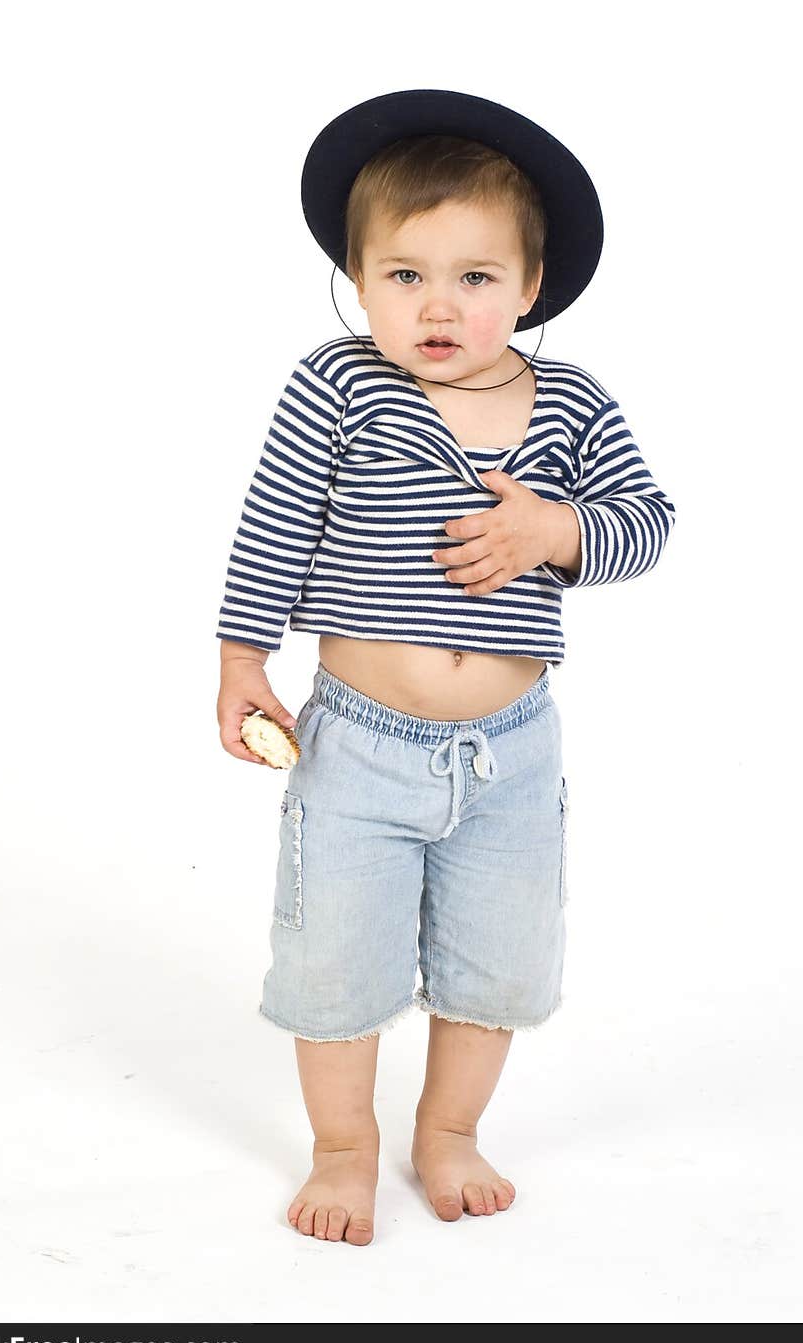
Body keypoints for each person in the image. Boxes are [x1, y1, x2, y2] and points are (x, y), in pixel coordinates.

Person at [214, 90, 676, 1246]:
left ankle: (451, 1131)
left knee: (498, 963)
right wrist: (241, 658)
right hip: (363, 740)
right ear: (357, 283)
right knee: (333, 960)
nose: (437, 305)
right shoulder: (340, 385)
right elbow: (271, 524)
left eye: (475, 277)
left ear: (529, 287)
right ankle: (343, 1145)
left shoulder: (568, 402)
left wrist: (557, 531)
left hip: (513, 753)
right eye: (404, 275)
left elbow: (649, 519)